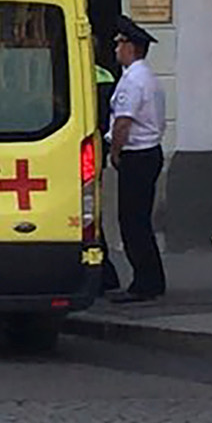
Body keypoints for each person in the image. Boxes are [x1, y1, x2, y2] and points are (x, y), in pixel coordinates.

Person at [107, 17, 167, 303]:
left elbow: (123, 122)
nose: (116, 48)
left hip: (137, 155)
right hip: (149, 152)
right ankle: (151, 279)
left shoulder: (133, 80)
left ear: (131, 47)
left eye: (120, 43)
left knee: (132, 221)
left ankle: (145, 282)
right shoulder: (148, 77)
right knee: (139, 219)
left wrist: (115, 151)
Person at [94, 62, 121, 294]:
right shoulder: (106, 75)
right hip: (96, 148)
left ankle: (104, 274)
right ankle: (105, 274)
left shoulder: (73, 70)